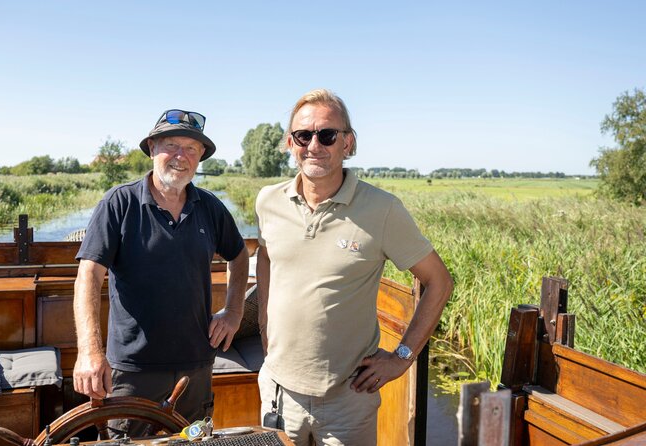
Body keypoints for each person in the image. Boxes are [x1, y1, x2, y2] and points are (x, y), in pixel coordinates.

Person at [256, 89, 453, 445]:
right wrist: (263, 323)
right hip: (278, 390)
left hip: (348, 398)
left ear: (348, 143)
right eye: (304, 135)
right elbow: (267, 255)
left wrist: (402, 357)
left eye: (327, 134)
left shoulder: (383, 210)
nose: (314, 145)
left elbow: (438, 282)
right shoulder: (268, 200)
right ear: (290, 143)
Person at [73, 109, 249, 436]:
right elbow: (88, 277)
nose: (181, 156)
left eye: (191, 149)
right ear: (153, 149)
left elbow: (239, 256)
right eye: (171, 145)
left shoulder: (210, 207)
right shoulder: (119, 203)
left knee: (193, 440)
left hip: (196, 366)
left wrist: (234, 311)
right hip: (131, 370)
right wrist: (89, 351)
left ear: (200, 158)